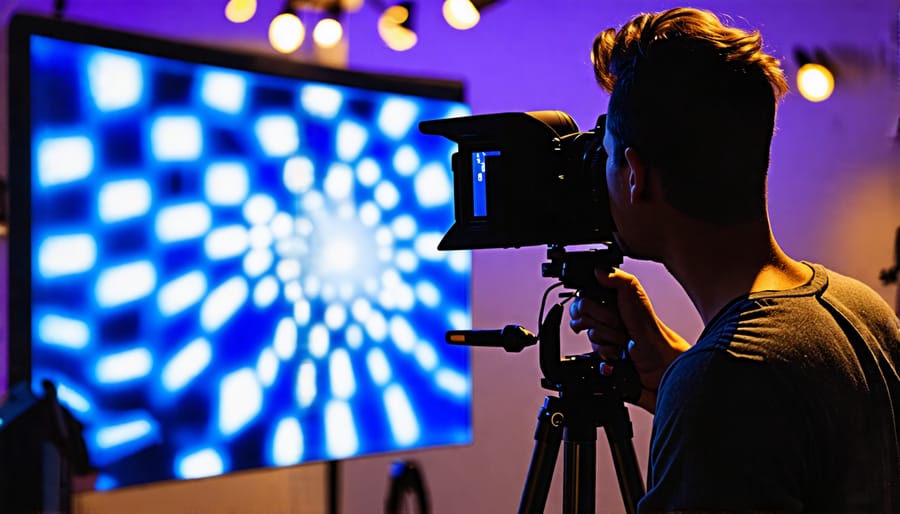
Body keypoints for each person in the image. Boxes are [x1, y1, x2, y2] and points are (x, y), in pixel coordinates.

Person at [567, 7, 900, 512]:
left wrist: (697, 387)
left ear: (636, 175)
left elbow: (739, 396)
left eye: (608, 153)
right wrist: (675, 375)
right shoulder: (861, 307)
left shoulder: (723, 385)